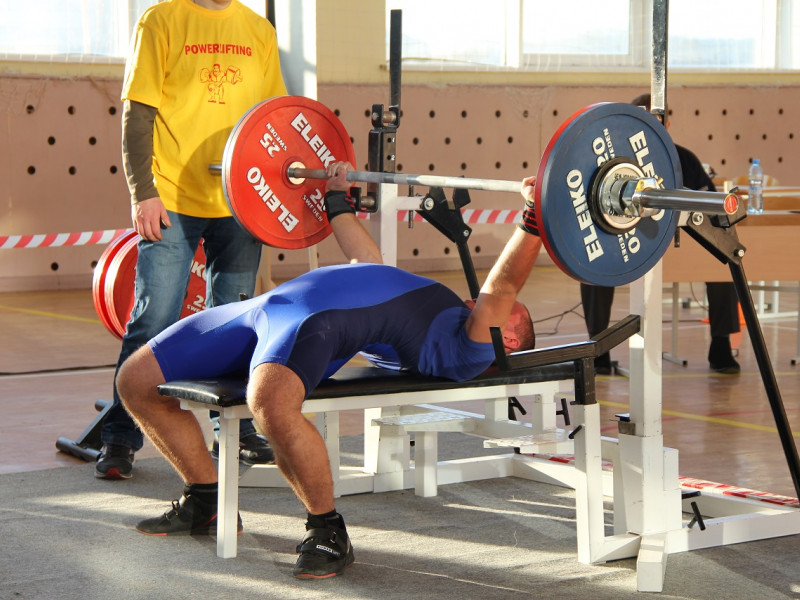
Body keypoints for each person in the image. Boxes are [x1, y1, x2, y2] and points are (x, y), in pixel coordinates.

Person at [115, 161, 543, 579]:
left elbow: (502, 286)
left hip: (315, 322)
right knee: (135, 379)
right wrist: (337, 199)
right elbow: (367, 259)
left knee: (269, 404)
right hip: (268, 307)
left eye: (511, 314)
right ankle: (205, 499)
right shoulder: (443, 309)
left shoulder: (471, 350)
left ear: (507, 341)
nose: (483, 303)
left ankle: (327, 531)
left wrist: (533, 215)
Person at [96, 0, 288, 480]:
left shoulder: (258, 31)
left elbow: (272, 121)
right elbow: (137, 115)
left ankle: (236, 432)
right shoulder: (161, 20)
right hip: (172, 199)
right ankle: (119, 436)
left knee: (235, 324)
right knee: (152, 320)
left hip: (239, 200)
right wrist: (143, 193)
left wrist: (272, 201)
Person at [581, 93, 741, 375]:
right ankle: (598, 350)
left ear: (667, 124)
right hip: (622, 243)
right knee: (594, 264)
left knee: (723, 259)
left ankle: (721, 344)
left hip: (676, 246)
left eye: (657, 120)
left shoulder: (684, 159)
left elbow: (711, 206)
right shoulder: (609, 159)